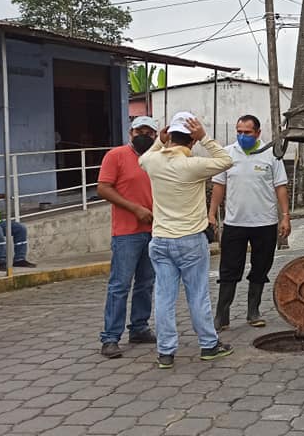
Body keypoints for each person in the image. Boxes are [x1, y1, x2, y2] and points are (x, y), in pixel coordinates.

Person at [139, 112, 234, 369]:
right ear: (192, 140)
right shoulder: (194, 165)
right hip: (190, 240)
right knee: (198, 295)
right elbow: (226, 160)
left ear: (170, 135)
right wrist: (205, 137)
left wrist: (159, 142)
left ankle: (165, 352)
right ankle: (208, 345)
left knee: (164, 298)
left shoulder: (152, 162)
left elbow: (143, 158)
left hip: (161, 240)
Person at [208, 114, 291, 330]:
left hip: (265, 223)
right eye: (239, 132)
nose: (242, 136)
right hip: (235, 223)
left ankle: (253, 311)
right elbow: (218, 186)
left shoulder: (271, 154)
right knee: (228, 270)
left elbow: (280, 187)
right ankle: (222, 315)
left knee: (261, 268)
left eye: (247, 132)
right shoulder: (227, 154)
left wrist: (285, 216)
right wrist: (211, 213)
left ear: (258, 133)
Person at [96, 116, 160, 359]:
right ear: (130, 133)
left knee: (146, 283)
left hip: (154, 231)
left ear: (155, 135)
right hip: (126, 233)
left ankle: (139, 328)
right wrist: (135, 209)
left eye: (149, 132)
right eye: (139, 131)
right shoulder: (116, 156)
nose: (144, 135)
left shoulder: (157, 157)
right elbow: (103, 188)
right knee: (120, 285)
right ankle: (110, 338)